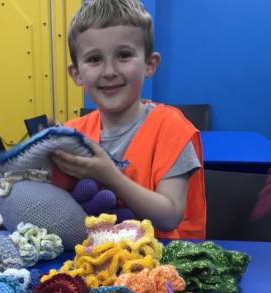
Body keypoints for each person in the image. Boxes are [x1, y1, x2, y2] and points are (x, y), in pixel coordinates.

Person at [51, 0, 206, 239]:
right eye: (94, 59)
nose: (109, 71)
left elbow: (169, 216)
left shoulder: (171, 128)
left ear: (150, 64)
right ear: (77, 74)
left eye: (123, 55)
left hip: (164, 265)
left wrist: (110, 177)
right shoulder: (71, 134)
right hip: (91, 264)